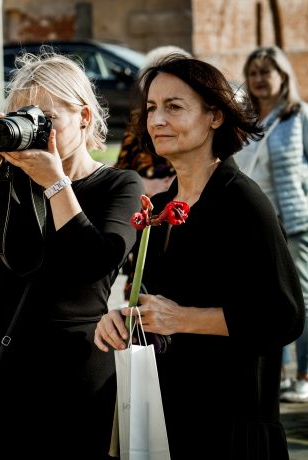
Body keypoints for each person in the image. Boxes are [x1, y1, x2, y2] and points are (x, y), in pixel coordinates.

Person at [94, 55, 305, 458]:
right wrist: (122, 321)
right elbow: (158, 305)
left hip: (229, 426)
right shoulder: (159, 206)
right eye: (152, 107)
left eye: (174, 107)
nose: (157, 120)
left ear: (215, 117)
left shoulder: (242, 201)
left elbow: (284, 315)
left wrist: (183, 318)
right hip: (165, 420)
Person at [0, 53, 143, 458]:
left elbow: (95, 262)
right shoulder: (12, 183)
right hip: (2, 374)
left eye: (46, 118)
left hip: (75, 378)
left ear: (84, 116)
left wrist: (54, 182)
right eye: (24, 117)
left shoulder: (120, 185)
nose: (35, 129)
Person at [234, 46, 308, 402]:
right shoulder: (243, 119)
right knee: (260, 300)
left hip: (293, 221)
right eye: (253, 72)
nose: (259, 80)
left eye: (267, 72)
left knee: (300, 300)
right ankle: (274, 372)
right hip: (252, 223)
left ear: (283, 76)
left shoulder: (299, 116)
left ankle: (304, 375)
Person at [114, 46, 189, 299]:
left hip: (180, 211)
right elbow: (122, 169)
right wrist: (143, 183)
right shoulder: (140, 121)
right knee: (143, 292)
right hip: (148, 212)